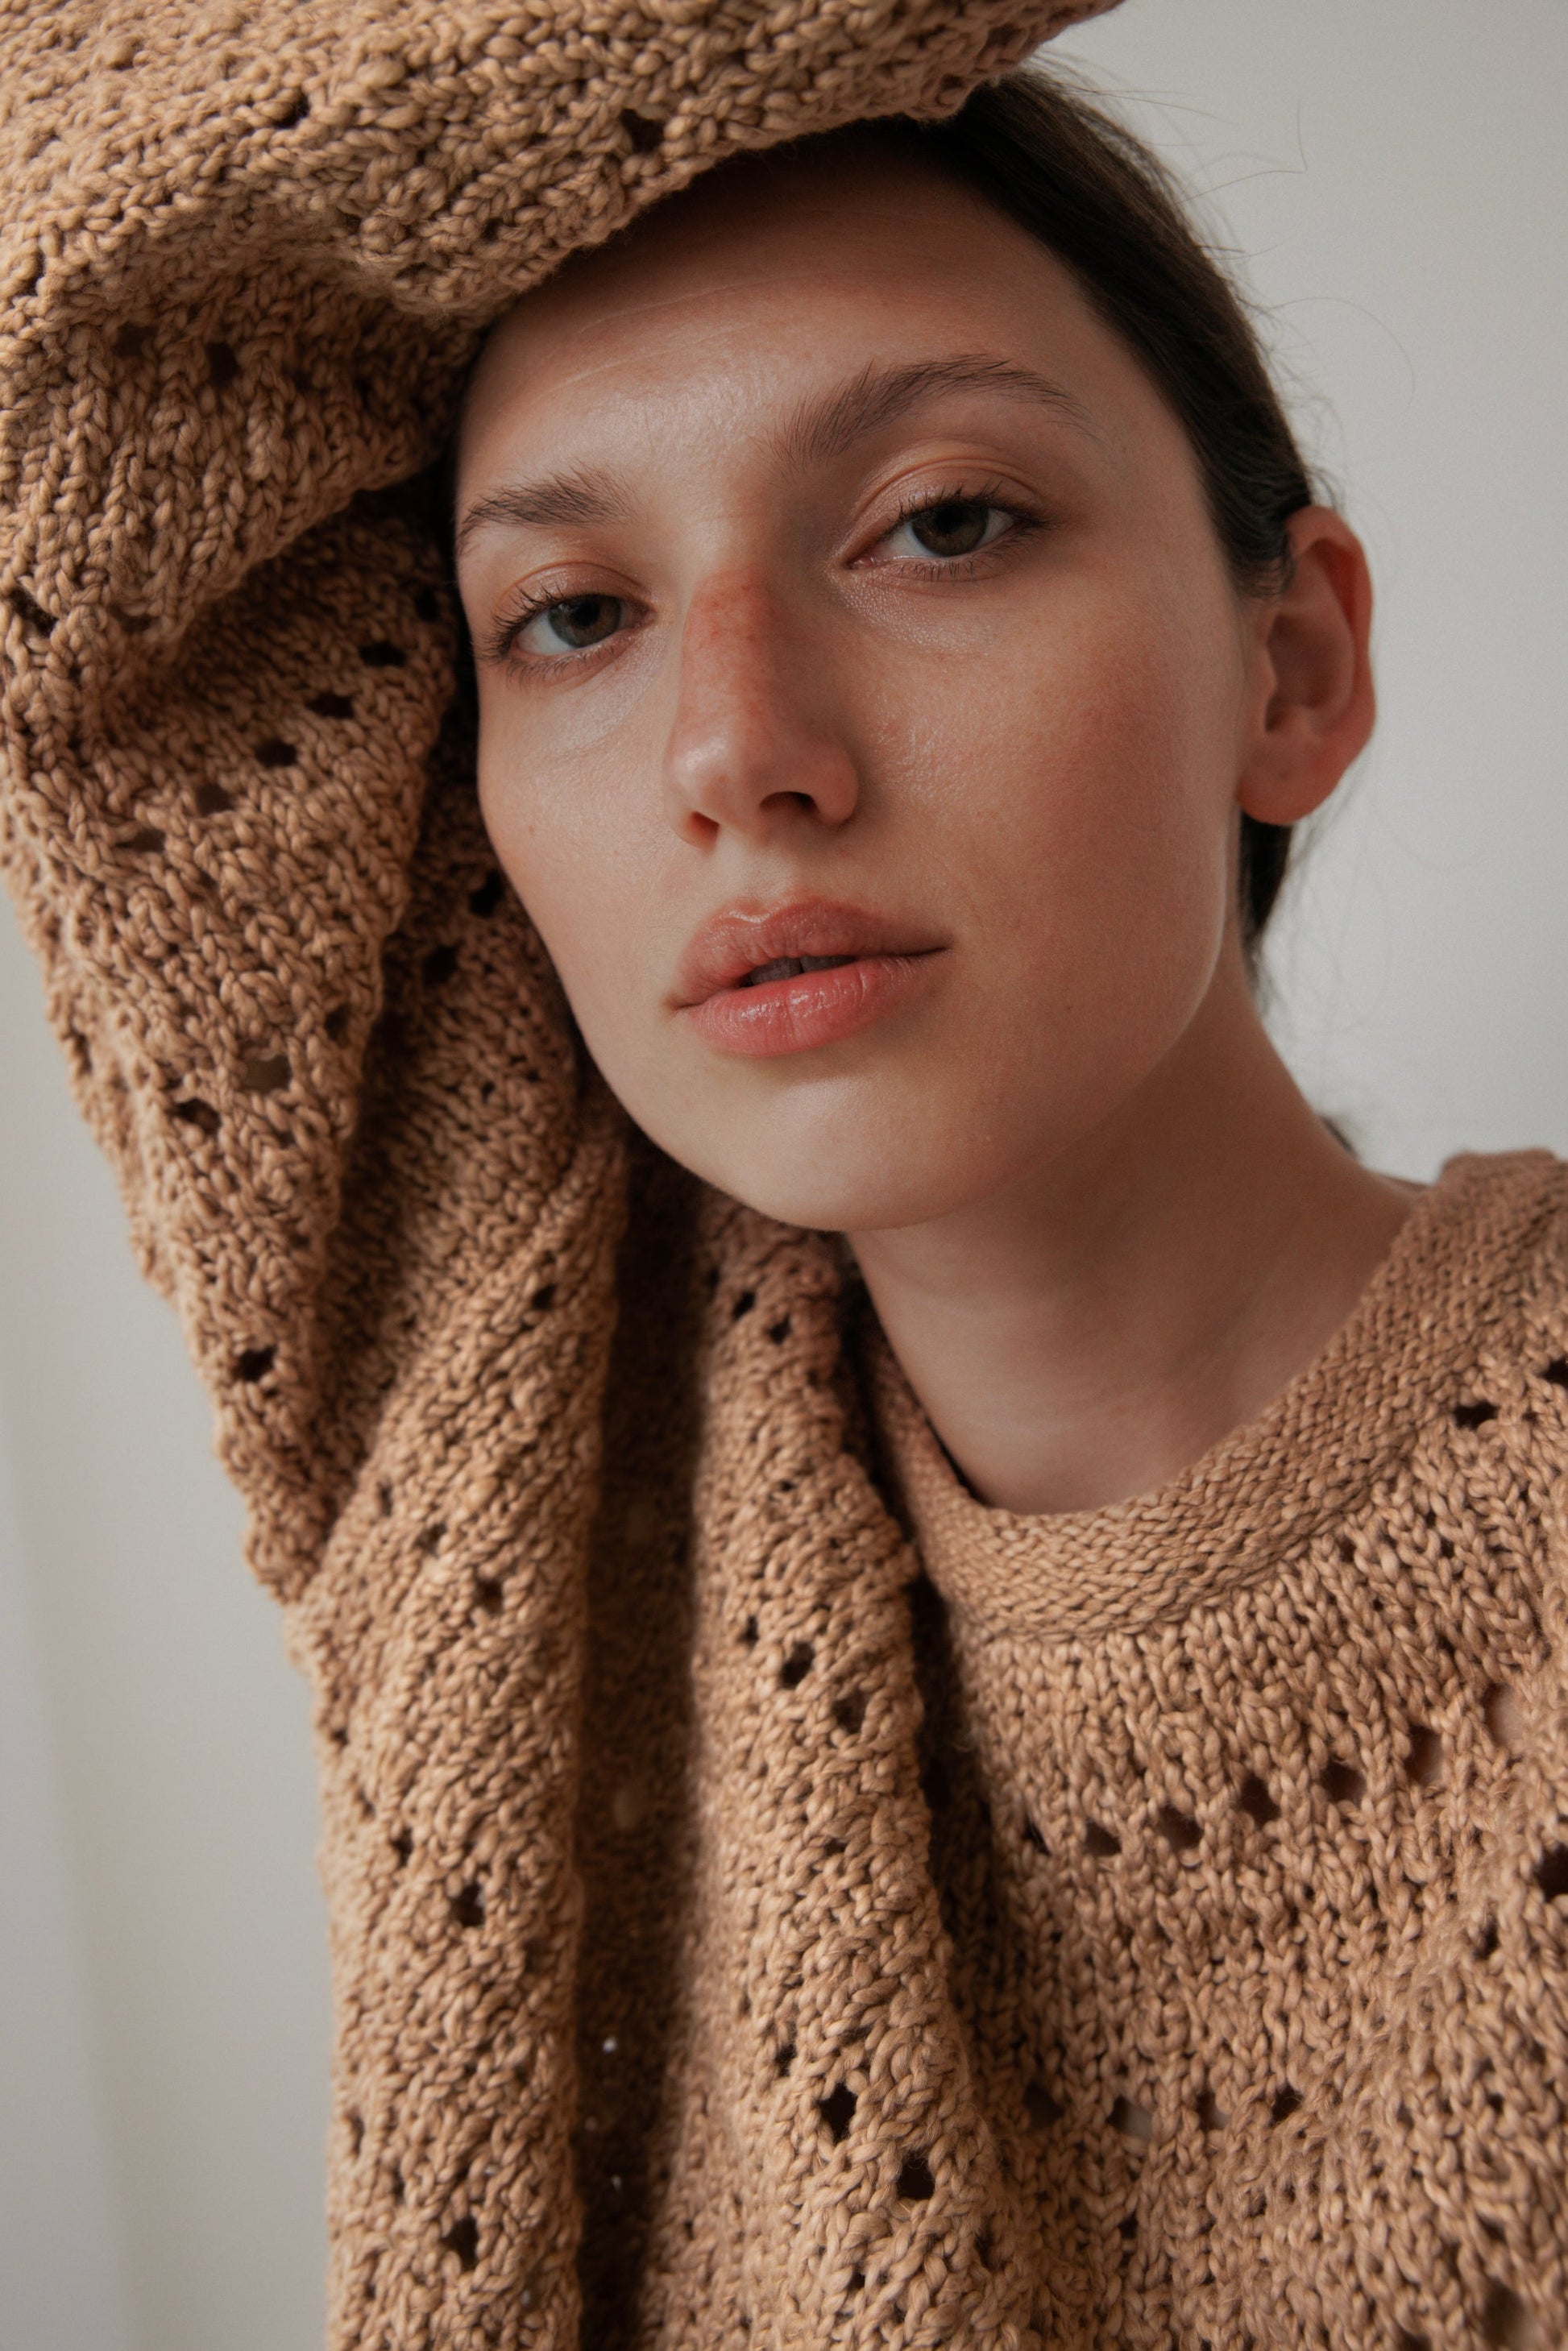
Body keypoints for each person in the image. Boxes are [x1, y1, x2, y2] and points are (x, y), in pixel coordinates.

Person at [3, 10, 1565, 2350]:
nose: (737, 749)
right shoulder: (525, 1438)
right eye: (574, 616)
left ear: (1292, 661)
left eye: (941, 521)